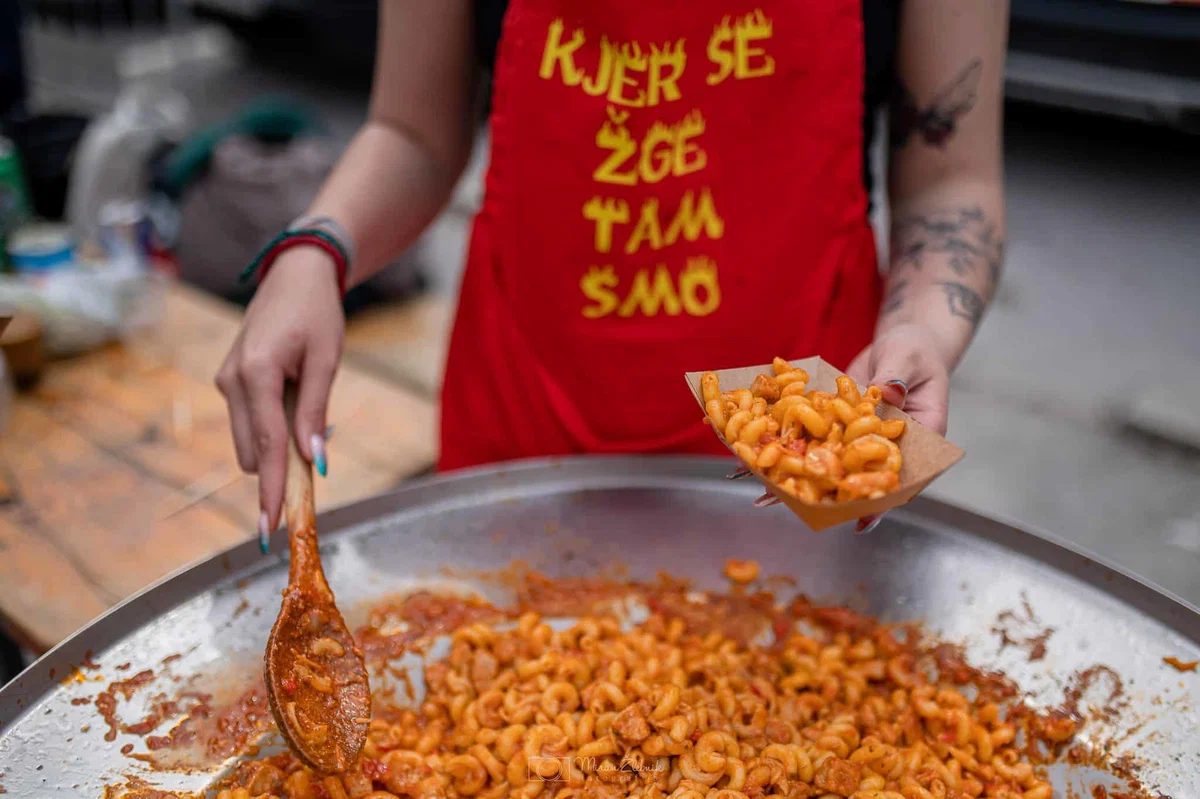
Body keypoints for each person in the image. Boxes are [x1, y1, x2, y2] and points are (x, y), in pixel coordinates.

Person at [217, 0, 1009, 539]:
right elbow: (413, 133)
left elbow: (951, 180)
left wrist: (922, 329)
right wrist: (317, 249)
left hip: (803, 442)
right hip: (524, 424)